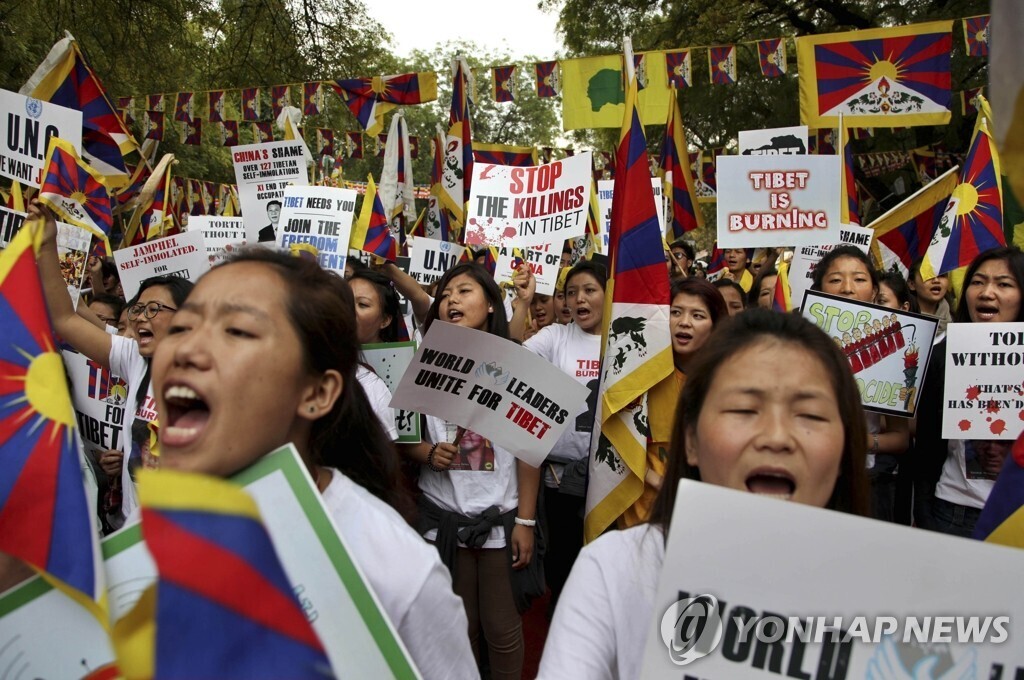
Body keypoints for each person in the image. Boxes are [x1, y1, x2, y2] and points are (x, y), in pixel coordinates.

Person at [152, 247, 478, 679]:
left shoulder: (396, 573)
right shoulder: (140, 548)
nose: (187, 349)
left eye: (236, 330)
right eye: (181, 326)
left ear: (317, 393)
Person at [537, 309, 870, 680]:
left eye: (809, 415)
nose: (776, 437)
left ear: (846, 446)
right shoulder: (616, 572)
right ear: (691, 440)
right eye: (744, 410)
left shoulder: (897, 594)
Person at [400, 262, 540, 680]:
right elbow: (403, 437)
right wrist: (426, 452)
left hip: (499, 522)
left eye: (463, 292)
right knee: (460, 629)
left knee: (502, 629)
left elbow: (530, 450)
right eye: (444, 295)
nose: (450, 301)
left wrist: (526, 521)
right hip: (443, 520)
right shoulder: (422, 362)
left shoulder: (516, 364)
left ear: (491, 306)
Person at [31, 200, 193, 528]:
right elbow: (64, 318)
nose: (140, 317)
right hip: (129, 533)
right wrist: (47, 244)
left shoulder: (216, 376)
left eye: (154, 309)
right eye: (137, 308)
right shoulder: (136, 360)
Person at [915, 246, 1024, 536]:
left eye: (1003, 284)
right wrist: (923, 515)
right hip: (952, 512)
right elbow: (927, 447)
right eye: (978, 282)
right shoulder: (943, 352)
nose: (987, 292)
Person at [522, 261, 605, 614]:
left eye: (589, 290)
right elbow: (510, 357)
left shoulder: (630, 336)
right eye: (571, 293)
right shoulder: (555, 336)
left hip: (611, 477)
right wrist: (522, 305)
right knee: (563, 564)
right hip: (559, 481)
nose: (578, 299)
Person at [811, 245, 909, 523]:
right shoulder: (799, 341)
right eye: (835, 279)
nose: (847, 288)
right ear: (818, 289)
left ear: (874, 291)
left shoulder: (894, 348)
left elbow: (900, 439)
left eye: (859, 279)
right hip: (808, 475)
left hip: (866, 482)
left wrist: (860, 442)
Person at [620, 278, 727, 528]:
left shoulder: (727, 381)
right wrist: (658, 482)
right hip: (643, 513)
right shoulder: (640, 373)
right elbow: (616, 441)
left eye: (698, 315)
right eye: (675, 312)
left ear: (716, 324)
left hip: (703, 513)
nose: (684, 322)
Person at [348, 268, 403, 441]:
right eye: (345, 300)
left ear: (385, 320)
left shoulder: (404, 364)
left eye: (362, 304)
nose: (349, 310)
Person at [907, 258, 952, 336]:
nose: (936, 280)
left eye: (941, 275)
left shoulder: (956, 322)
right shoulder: (903, 322)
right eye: (928, 275)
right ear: (911, 284)